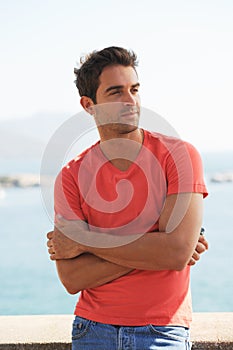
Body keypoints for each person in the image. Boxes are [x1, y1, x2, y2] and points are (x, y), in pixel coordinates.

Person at [46, 46, 208, 350]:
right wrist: (156, 244)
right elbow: (72, 277)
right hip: (92, 330)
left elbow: (174, 252)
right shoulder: (71, 175)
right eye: (116, 92)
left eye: (134, 89)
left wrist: (84, 240)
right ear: (89, 105)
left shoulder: (180, 156)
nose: (130, 101)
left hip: (163, 331)